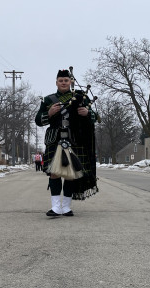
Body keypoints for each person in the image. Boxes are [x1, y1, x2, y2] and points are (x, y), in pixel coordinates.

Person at [35, 69, 98, 217]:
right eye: (61, 81)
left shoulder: (81, 97)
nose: (63, 83)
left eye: (66, 80)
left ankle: (67, 207)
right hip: (54, 140)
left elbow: (96, 117)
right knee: (55, 173)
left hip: (75, 139)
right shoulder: (48, 100)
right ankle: (56, 207)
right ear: (56, 82)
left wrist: (88, 113)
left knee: (70, 174)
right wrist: (48, 114)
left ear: (71, 82)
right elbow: (38, 120)